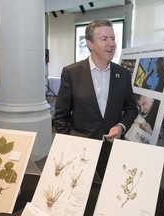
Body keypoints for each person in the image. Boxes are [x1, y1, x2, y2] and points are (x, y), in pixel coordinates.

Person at [53, 19, 138, 180]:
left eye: (113, 38)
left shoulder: (123, 74)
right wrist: (70, 145)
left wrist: (121, 127)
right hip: (80, 150)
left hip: (111, 149)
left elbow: (131, 109)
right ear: (90, 44)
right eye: (104, 39)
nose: (111, 44)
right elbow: (60, 116)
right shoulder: (71, 73)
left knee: (108, 194)